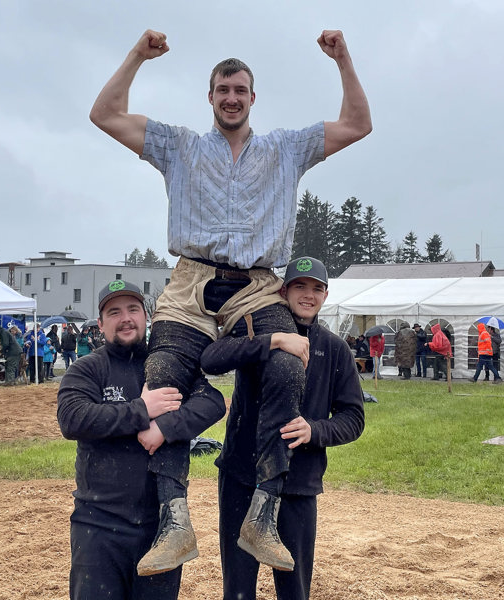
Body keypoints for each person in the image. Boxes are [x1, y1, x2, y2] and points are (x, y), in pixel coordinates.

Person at [91, 28, 371, 572]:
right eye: (223, 90)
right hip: (192, 280)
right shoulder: (180, 145)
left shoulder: (287, 148)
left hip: (257, 283)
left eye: (240, 90)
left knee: (290, 363)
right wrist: (137, 56)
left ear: (252, 97)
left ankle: (263, 514)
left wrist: (343, 59)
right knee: (165, 375)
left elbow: (359, 124)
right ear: (211, 96)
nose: (232, 98)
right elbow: (105, 114)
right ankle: (175, 523)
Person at [199, 256, 365, 599]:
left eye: (316, 288)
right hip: (241, 476)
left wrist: (314, 430)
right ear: (283, 290)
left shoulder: (335, 350)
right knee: (238, 587)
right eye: (299, 286)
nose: (308, 295)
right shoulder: (256, 329)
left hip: (298, 484)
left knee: (294, 586)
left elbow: (353, 418)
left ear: (326, 294)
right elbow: (212, 358)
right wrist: (272, 340)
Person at [56, 281, 225, 599]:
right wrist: (142, 410)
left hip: (161, 528)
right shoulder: (88, 369)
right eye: (114, 312)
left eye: (133, 309)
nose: (126, 318)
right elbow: (72, 419)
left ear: (146, 317)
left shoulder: (166, 367)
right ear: (101, 322)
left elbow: (213, 403)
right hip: (98, 526)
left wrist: (166, 427)